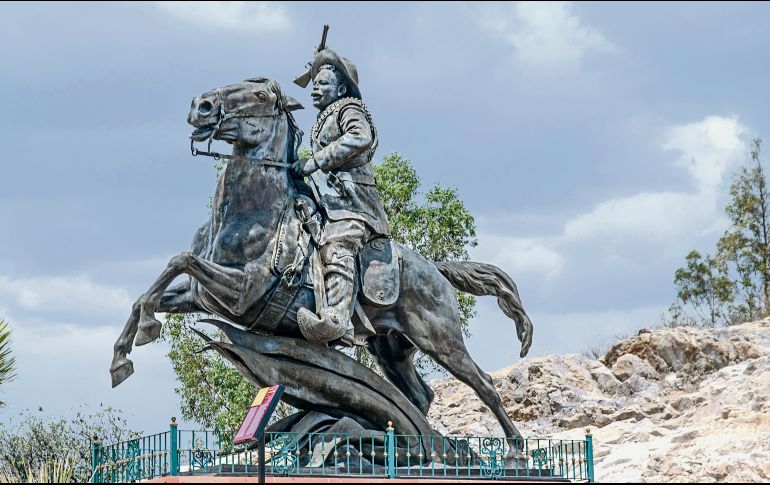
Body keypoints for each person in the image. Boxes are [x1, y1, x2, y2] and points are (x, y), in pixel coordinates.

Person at [291, 48, 390, 345]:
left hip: (354, 205)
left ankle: (338, 320)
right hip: (330, 203)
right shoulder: (323, 118)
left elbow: (361, 137)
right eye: (314, 84)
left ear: (341, 88)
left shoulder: (349, 108)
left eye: (322, 83)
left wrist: (317, 160)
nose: (315, 89)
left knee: (338, 246)